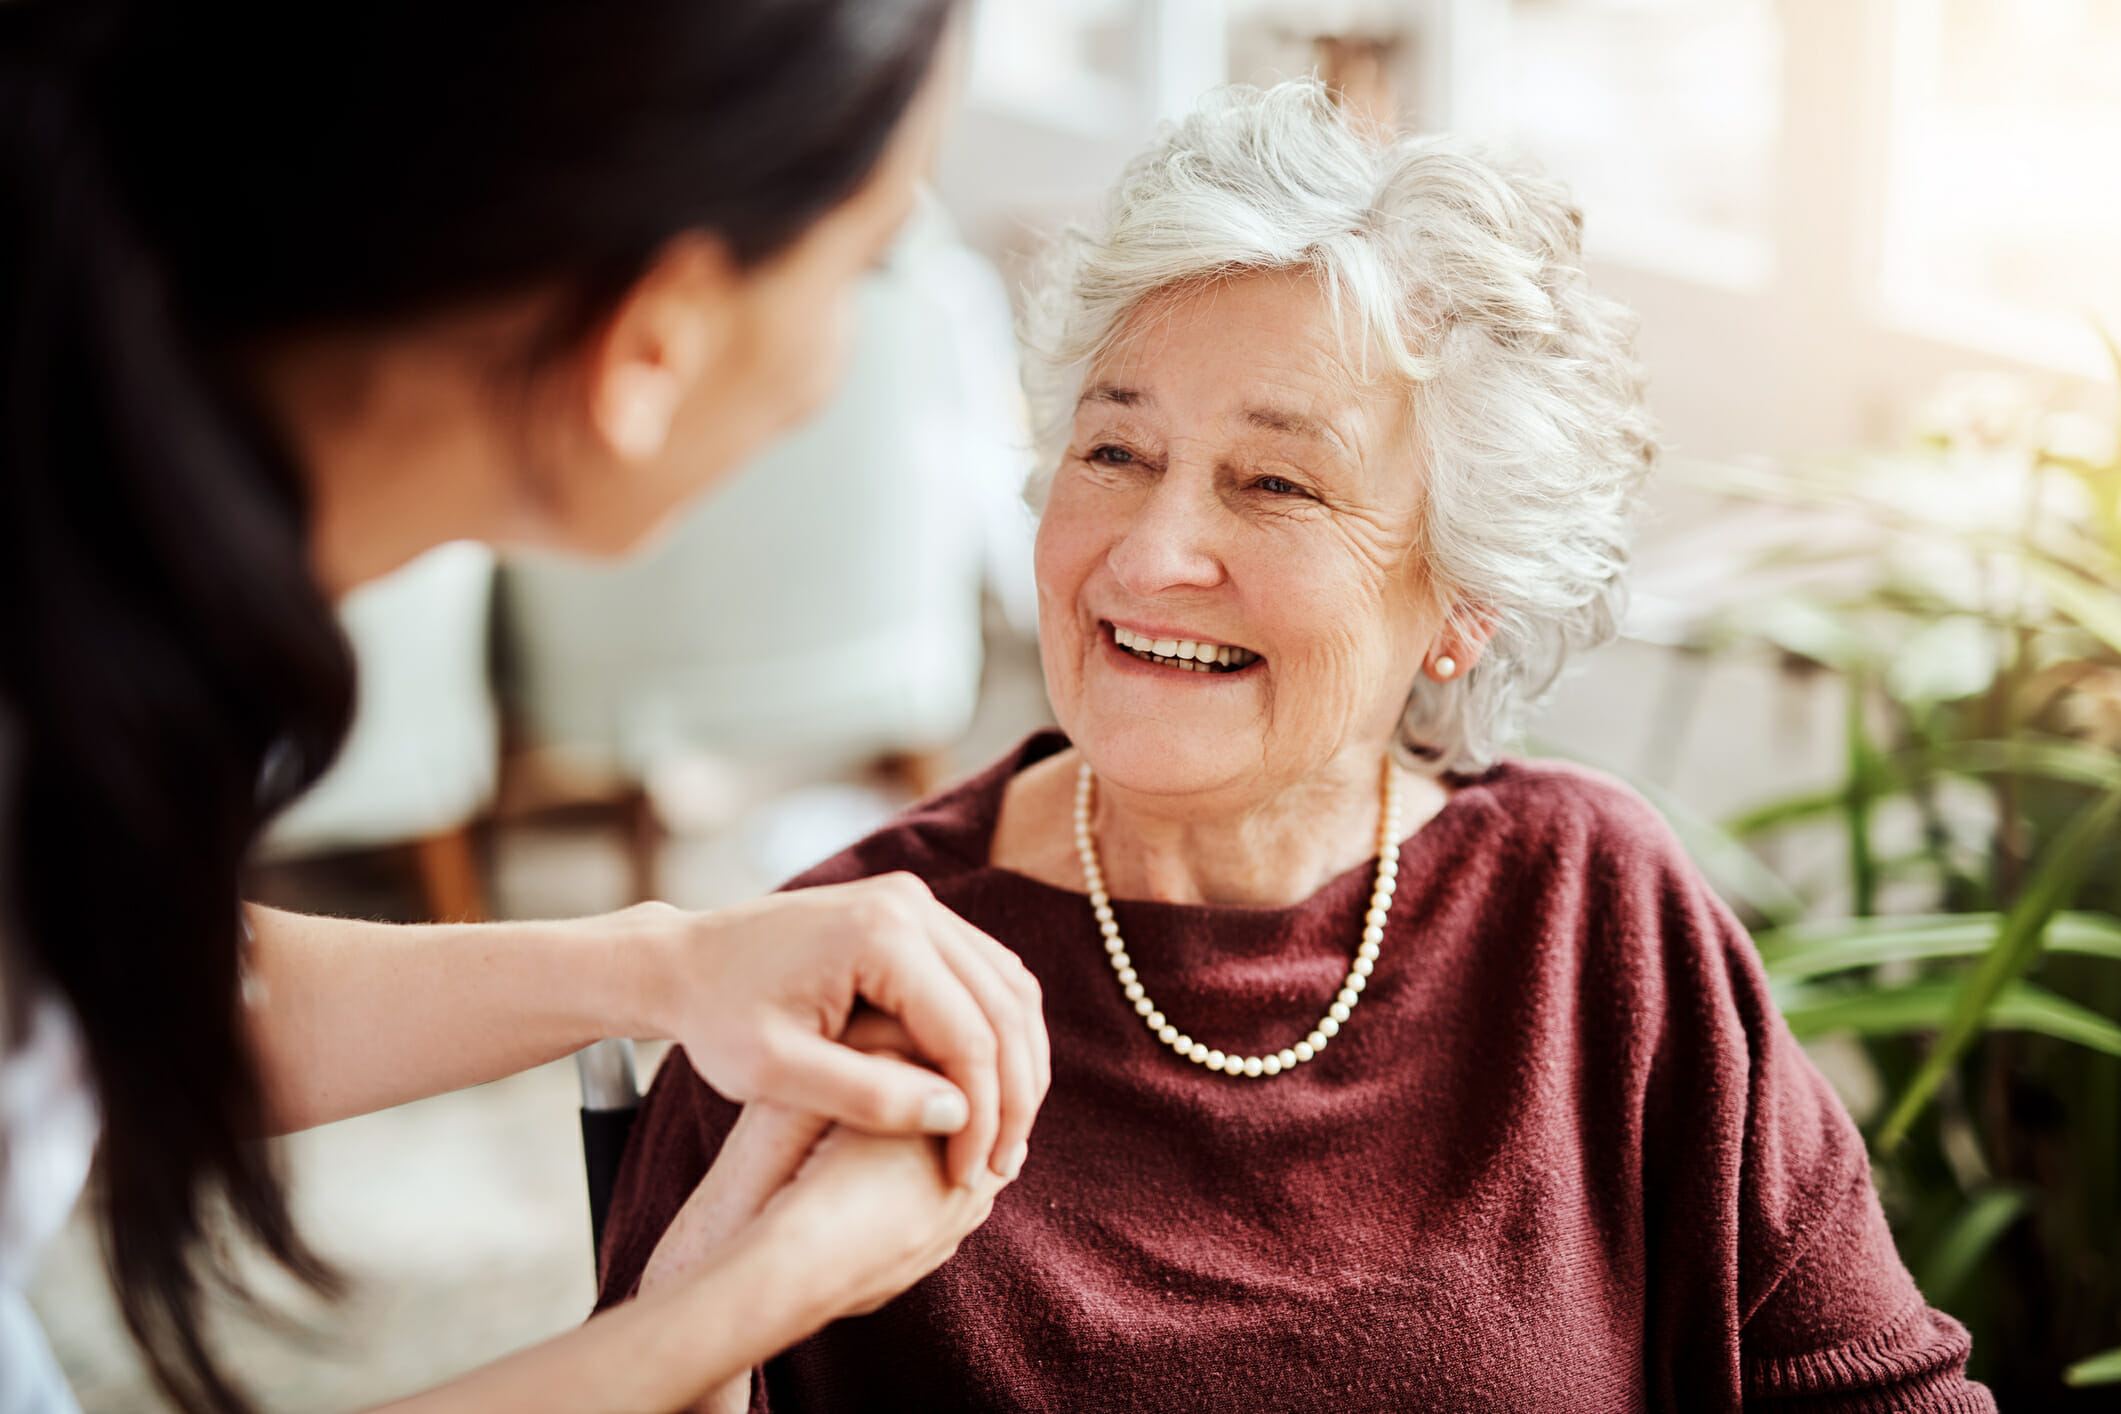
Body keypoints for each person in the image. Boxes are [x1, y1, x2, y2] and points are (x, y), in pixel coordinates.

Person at [593, 82, 1997, 1412]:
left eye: (1273, 482)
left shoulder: (1592, 907)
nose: (1149, 554)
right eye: (1113, 453)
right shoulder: (832, 978)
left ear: (1460, 596)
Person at [0, 2, 1051, 1412]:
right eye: (873, 262)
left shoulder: (127, 554)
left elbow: (96, 994)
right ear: (652, 342)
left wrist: (663, 964)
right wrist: (741, 1302)